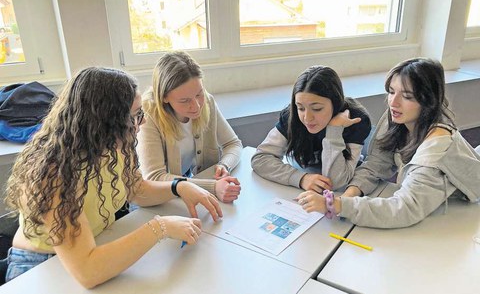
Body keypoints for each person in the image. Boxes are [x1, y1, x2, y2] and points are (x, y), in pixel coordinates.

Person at [4, 67, 223, 288]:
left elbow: (136, 189)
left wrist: (179, 186)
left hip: (92, 247)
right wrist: (161, 227)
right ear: (106, 121)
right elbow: (88, 272)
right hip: (40, 266)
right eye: (137, 115)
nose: (143, 121)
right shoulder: (52, 172)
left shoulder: (112, 146)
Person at [296, 58, 480, 228]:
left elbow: (405, 209)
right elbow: (376, 165)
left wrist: (336, 205)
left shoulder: (437, 148)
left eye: (407, 96)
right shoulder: (399, 117)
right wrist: (348, 196)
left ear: (428, 100)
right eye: (391, 92)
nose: (394, 102)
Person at [136, 51, 242, 203]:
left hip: (188, 186)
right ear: (164, 97)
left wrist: (224, 165)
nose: (196, 106)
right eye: (184, 100)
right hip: (158, 200)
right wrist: (212, 186)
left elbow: (233, 144)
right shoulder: (148, 114)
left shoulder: (207, 102)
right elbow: (155, 177)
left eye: (199, 94)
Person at [251, 65, 371, 192]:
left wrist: (334, 130)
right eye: (301, 108)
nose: (307, 118)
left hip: (342, 194)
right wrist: (301, 178)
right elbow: (260, 159)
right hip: (302, 187)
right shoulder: (291, 116)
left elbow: (335, 182)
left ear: (335, 103)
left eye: (317, 109)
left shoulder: (356, 120)